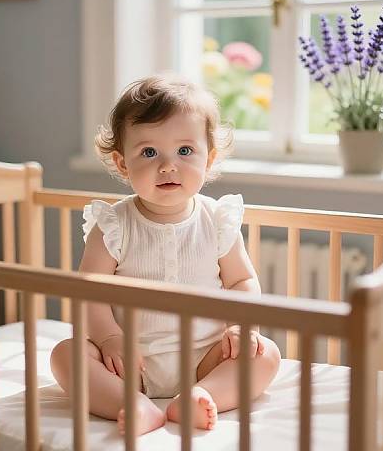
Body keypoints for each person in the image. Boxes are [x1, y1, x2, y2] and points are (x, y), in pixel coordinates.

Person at [50, 73, 281, 436]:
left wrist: (238, 325)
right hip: (127, 361)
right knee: (65, 355)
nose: (168, 165)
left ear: (210, 158)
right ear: (123, 163)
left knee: (265, 353)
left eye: (185, 151)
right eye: (149, 152)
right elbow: (88, 292)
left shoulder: (217, 220)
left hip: (206, 356)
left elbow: (241, 280)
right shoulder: (113, 224)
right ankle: (132, 403)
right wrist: (110, 339)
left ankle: (201, 395)